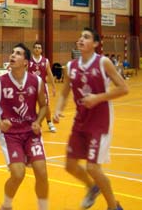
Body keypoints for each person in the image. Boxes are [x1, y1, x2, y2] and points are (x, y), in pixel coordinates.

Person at [53, 28, 129, 210]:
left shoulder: (103, 63)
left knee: (93, 168)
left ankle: (113, 207)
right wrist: (58, 109)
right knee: (70, 165)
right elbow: (64, 93)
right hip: (80, 120)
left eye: (86, 37)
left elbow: (124, 88)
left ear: (95, 44)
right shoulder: (71, 66)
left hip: (100, 120)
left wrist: (97, 97)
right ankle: (92, 187)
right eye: (80, 36)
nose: (81, 39)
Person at [0, 43, 49, 210]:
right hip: (10, 134)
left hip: (31, 132)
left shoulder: (37, 81)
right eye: (12, 53)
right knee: (18, 174)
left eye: (18, 53)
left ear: (26, 62)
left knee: (42, 172)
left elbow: (43, 106)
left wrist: (38, 121)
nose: (12, 55)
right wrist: (0, 122)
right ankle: (6, 205)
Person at [28, 41, 57, 132]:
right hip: (30, 86)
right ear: (33, 49)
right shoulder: (28, 60)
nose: (37, 49)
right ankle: (31, 123)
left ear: (41, 50)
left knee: (46, 106)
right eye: (35, 47)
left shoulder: (45, 61)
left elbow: (50, 73)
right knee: (29, 105)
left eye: (39, 47)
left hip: (42, 87)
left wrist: (53, 86)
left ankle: (49, 123)